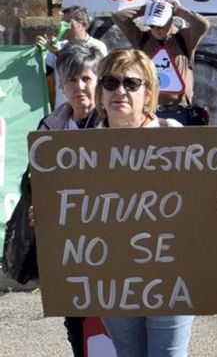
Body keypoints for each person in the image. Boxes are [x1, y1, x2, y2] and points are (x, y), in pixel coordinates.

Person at [94, 48, 217, 357]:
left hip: (172, 274)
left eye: (131, 83)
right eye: (110, 82)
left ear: (148, 93)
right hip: (112, 277)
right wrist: (51, 217)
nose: (120, 91)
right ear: (100, 94)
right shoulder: (81, 153)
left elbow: (198, 204)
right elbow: (73, 213)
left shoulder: (174, 137)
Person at [33, 42, 103, 357]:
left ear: (98, 81)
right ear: (61, 85)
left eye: (86, 79)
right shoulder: (50, 128)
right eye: (72, 81)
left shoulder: (115, 124)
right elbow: (35, 181)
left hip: (115, 243)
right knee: (77, 323)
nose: (80, 87)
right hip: (70, 247)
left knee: (115, 325)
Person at [111, 0, 211, 125]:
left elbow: (203, 24)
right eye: (152, 25)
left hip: (180, 110)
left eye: (160, 25)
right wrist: (149, 8)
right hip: (150, 111)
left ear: (170, 20)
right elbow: (118, 16)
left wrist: (177, 9)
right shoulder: (142, 38)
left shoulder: (183, 38)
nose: (156, 29)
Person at [35, 6, 108, 108]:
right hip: (63, 107)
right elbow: (42, 71)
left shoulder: (97, 46)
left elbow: (79, 67)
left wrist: (59, 53)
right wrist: (40, 50)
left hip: (89, 107)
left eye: (69, 23)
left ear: (84, 25)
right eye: (62, 23)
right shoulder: (60, 45)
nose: (63, 28)